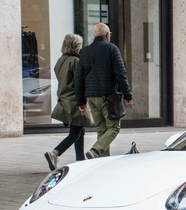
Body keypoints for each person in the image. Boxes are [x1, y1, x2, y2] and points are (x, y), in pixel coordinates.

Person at [75, 23, 133, 158]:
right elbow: (120, 74)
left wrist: (81, 101)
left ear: (94, 35)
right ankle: (96, 150)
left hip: (90, 97)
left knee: (102, 130)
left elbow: (79, 78)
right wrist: (127, 94)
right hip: (108, 97)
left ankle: (102, 161)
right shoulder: (112, 49)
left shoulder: (85, 51)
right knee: (114, 128)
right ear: (107, 35)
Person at [44, 34, 93, 171]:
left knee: (79, 128)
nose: (81, 47)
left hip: (65, 99)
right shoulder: (75, 61)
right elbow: (80, 82)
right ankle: (55, 153)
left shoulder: (61, 60)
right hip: (75, 100)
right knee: (75, 133)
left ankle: (80, 159)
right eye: (80, 45)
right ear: (75, 46)